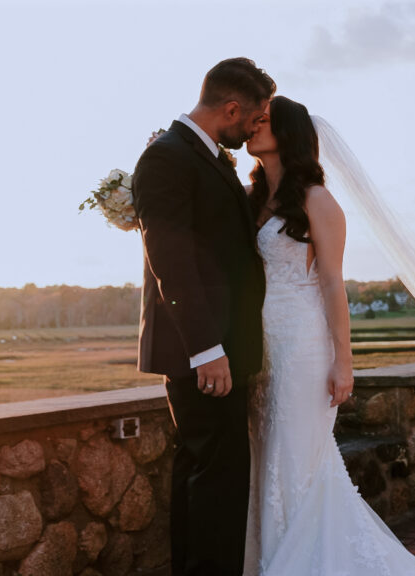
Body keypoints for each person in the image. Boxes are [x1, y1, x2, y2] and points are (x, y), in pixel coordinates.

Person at [242, 95, 415, 575]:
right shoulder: (251, 200)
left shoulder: (318, 201)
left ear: (287, 134)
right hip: (262, 347)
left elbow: (333, 282)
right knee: (267, 454)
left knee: (294, 460)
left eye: (263, 120)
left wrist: (344, 361)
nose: (251, 126)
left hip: (304, 347)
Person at [131, 57, 274, 576]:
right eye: (253, 120)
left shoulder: (204, 155)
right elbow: (171, 261)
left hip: (221, 348)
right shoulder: (167, 157)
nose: (254, 129)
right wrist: (206, 349)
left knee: (210, 476)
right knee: (214, 481)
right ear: (231, 108)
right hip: (205, 353)